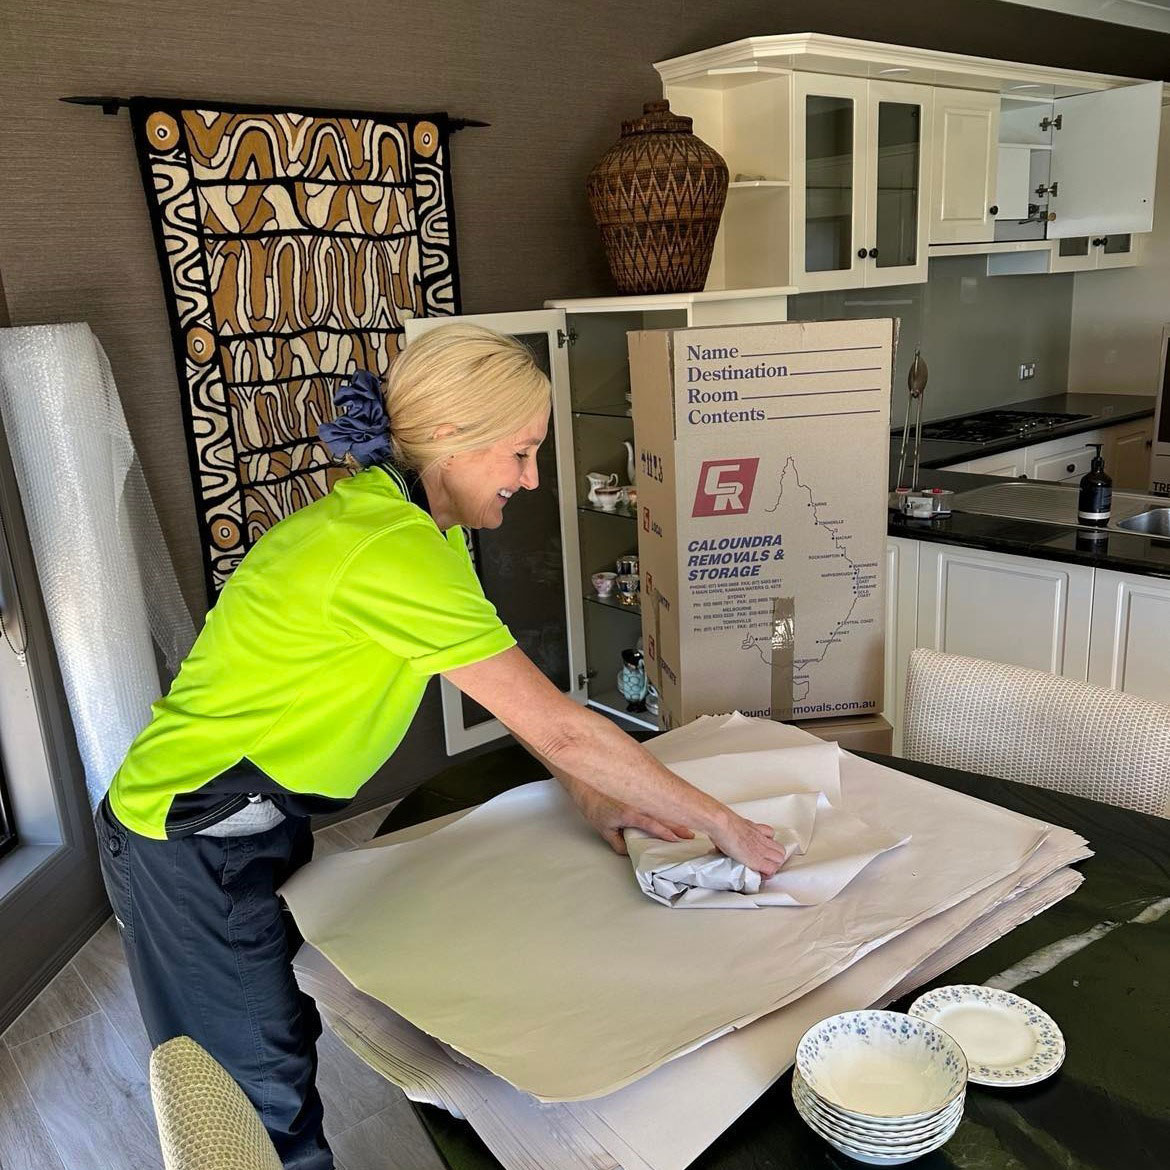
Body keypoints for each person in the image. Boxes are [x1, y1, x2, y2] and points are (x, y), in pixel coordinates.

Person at [95, 324, 787, 1169]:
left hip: (250, 812)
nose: (532, 479)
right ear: (452, 440)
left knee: (276, 1025)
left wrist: (593, 791)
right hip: (189, 832)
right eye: (521, 453)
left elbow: (519, 701)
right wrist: (725, 825)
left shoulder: (422, 527)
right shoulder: (391, 550)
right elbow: (563, 725)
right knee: (255, 1083)